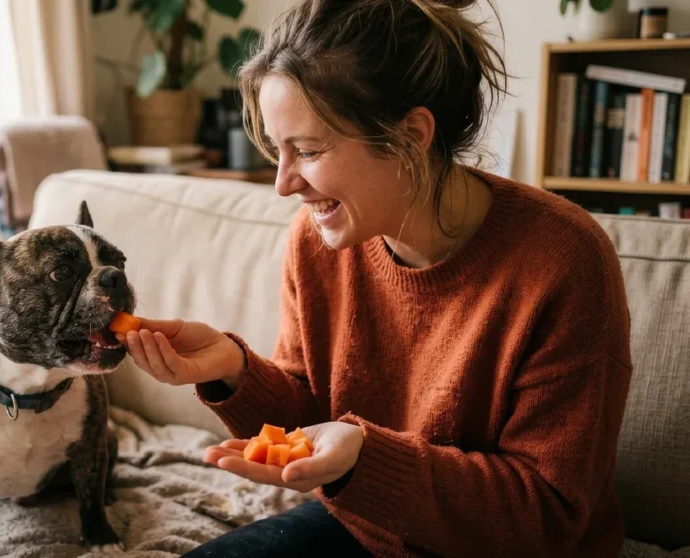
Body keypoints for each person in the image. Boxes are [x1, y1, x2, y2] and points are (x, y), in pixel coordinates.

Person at [116, 0, 634, 556]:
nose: (284, 184)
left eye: (308, 151)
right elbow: (311, 422)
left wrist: (365, 456)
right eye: (276, 150)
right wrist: (234, 372)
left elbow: (549, 516)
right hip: (367, 530)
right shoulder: (316, 241)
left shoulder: (564, 261)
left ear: (411, 136)